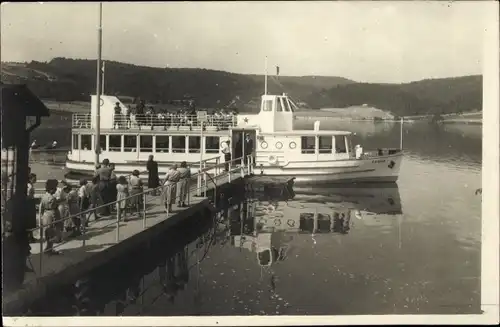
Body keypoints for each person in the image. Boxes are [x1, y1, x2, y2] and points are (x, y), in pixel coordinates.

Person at [40, 179, 63, 255]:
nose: (56, 190)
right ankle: (49, 249)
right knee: (53, 233)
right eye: (55, 188)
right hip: (51, 215)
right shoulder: (52, 198)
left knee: (48, 232)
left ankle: (48, 248)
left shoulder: (44, 196)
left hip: (46, 215)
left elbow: (41, 207)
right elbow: (54, 211)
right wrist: (57, 221)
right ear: (51, 189)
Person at [26, 173, 38, 243]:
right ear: (30, 179)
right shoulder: (29, 186)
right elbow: (28, 196)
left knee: (31, 221)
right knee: (30, 221)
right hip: (29, 204)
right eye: (34, 178)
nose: (36, 180)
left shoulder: (30, 185)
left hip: (30, 203)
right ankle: (29, 237)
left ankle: (31, 236)